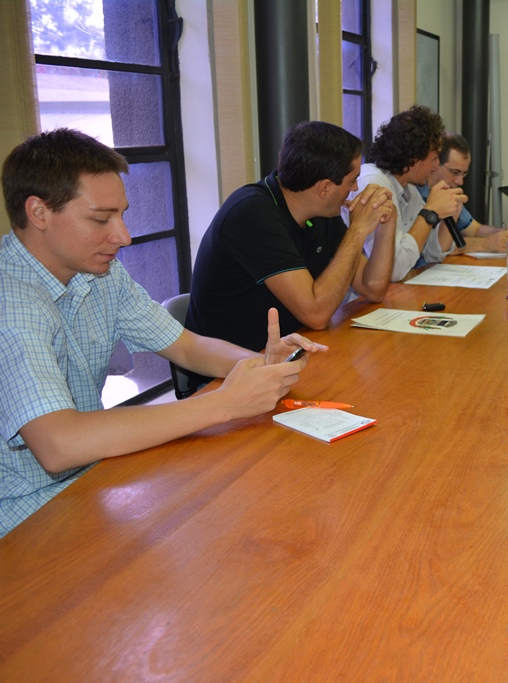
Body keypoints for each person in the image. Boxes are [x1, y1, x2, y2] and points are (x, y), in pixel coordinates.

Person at [0, 129, 321, 538]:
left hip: (88, 478)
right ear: (39, 213)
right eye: (100, 219)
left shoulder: (100, 274)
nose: (123, 236)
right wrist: (223, 404)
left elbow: (186, 346)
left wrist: (259, 365)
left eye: (122, 215)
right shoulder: (11, 302)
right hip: (24, 510)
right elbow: (59, 444)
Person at [187, 121, 397, 353]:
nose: (355, 188)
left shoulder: (322, 213)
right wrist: (357, 230)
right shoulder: (252, 213)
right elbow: (316, 315)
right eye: (352, 180)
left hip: (290, 350)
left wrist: (386, 221)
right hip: (233, 365)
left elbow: (373, 288)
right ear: (324, 188)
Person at [348, 105, 466, 281]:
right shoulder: (373, 183)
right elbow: (393, 270)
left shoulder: (409, 190)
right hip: (359, 297)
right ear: (414, 158)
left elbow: (432, 253)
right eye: (434, 159)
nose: (436, 166)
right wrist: (429, 213)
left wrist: (452, 212)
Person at [416, 132, 508, 254]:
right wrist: (484, 244)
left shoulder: (447, 193)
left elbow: (475, 230)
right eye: (454, 172)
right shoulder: (413, 192)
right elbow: (425, 247)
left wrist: (499, 233)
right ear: (435, 162)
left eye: (464, 173)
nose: (460, 181)